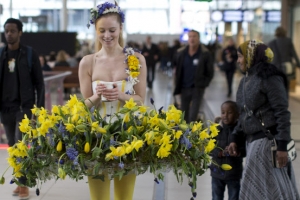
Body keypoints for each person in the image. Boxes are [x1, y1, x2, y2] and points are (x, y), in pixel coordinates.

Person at [78, 2, 146, 200]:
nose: (107, 35)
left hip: (127, 136)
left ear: (121, 29)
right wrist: (96, 97)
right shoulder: (87, 62)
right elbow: (84, 106)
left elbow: (141, 100)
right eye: (102, 30)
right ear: (95, 31)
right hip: (96, 138)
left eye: (112, 30)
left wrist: (122, 96)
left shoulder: (136, 59)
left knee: (124, 196)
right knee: (98, 197)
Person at [228, 39, 300, 199]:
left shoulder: (270, 78)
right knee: (262, 190)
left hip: (267, 145)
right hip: (252, 143)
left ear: (251, 56)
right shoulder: (245, 80)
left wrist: (282, 146)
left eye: (240, 56)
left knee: (265, 190)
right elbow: (244, 113)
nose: (238, 60)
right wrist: (234, 137)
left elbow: (282, 113)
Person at [0, 18, 45, 199]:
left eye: (12, 30)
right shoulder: (1, 54)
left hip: (24, 108)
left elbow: (39, 84)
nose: (9, 34)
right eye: (6, 30)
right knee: (12, 146)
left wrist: (38, 110)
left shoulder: (29, 54)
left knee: (21, 145)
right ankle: (19, 181)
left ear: (20, 33)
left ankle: (24, 184)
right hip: (6, 108)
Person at [173, 29, 214, 123]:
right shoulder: (181, 53)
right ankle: (184, 134)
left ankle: (191, 134)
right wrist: (177, 87)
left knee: (193, 114)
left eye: (194, 36)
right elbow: (177, 70)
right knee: (183, 114)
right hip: (184, 88)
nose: (192, 39)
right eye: (190, 36)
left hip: (197, 88)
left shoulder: (205, 53)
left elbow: (210, 72)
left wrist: (204, 84)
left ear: (198, 38)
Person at [210, 101, 245, 200]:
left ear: (237, 115)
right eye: (223, 112)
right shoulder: (215, 129)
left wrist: (238, 152)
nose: (225, 116)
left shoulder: (240, 132)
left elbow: (246, 150)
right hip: (217, 173)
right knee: (216, 197)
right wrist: (220, 153)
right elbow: (209, 148)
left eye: (230, 113)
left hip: (234, 174)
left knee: (234, 197)